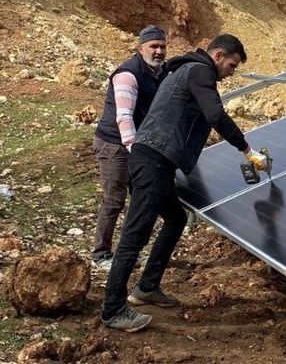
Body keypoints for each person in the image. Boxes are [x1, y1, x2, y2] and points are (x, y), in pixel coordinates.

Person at [100, 34, 270, 332]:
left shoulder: (184, 70)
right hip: (153, 159)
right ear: (217, 56)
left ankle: (147, 287)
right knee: (135, 235)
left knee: (176, 219)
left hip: (158, 159)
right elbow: (215, 114)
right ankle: (113, 310)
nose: (231, 73)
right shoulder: (200, 71)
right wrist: (247, 150)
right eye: (231, 65)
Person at [91, 25, 169, 271]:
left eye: (162, 46)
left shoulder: (159, 72)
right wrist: (137, 153)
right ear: (140, 48)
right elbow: (124, 117)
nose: (158, 51)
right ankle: (101, 254)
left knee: (140, 199)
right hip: (115, 145)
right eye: (153, 46)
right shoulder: (128, 74)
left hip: (138, 144)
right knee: (113, 200)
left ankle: (129, 251)